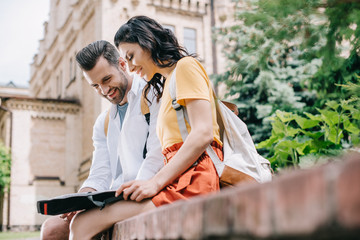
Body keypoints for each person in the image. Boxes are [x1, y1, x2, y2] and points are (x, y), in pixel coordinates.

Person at [69, 16, 224, 239]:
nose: (130, 66)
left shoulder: (185, 67)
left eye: (131, 56)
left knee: (83, 224)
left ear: (148, 43)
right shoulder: (166, 84)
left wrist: (154, 183)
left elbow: (203, 133)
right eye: (126, 59)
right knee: (83, 222)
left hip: (194, 181)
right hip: (177, 180)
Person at [40, 40, 163, 240]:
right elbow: (100, 174)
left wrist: (136, 188)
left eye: (107, 79)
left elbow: (157, 157)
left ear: (122, 65)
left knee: (82, 226)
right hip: (114, 196)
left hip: (144, 191)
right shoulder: (103, 122)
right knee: (51, 229)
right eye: (95, 86)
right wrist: (80, 199)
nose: (104, 91)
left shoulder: (152, 95)